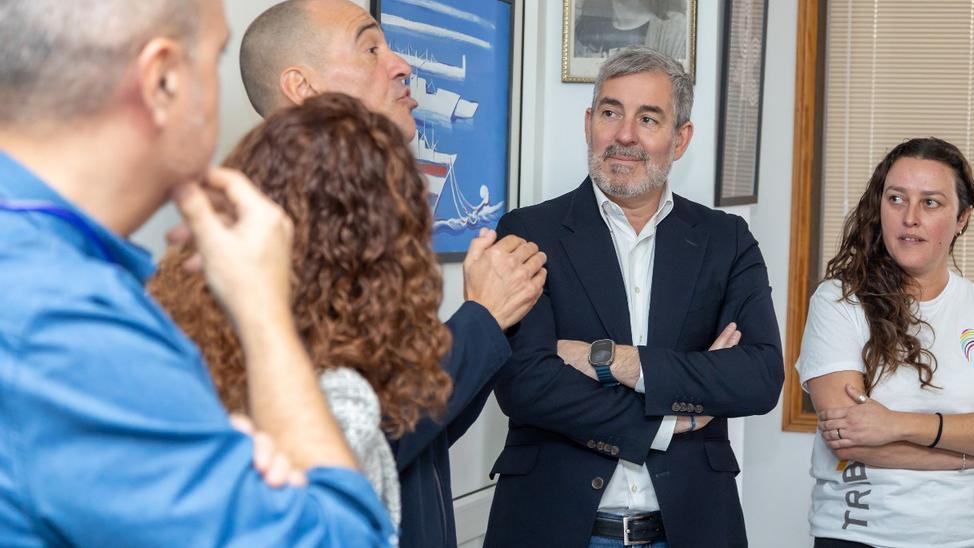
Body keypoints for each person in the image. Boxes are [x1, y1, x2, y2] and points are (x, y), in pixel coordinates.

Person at [0, 0, 398, 544]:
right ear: (162, 80)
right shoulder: (63, 322)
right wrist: (264, 314)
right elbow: (345, 539)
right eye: (213, 59)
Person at [237, 2, 546, 546]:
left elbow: (422, 429)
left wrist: (491, 320)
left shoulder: (356, 223)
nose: (402, 65)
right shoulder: (274, 237)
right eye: (372, 48)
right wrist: (480, 318)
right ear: (301, 86)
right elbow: (353, 442)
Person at [482, 46, 783, 548]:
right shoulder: (529, 233)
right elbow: (525, 384)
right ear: (588, 123)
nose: (624, 135)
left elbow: (758, 377)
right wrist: (668, 421)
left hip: (690, 529)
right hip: (552, 527)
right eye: (610, 112)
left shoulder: (726, 241)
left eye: (648, 118)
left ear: (680, 138)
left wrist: (614, 361)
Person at [800, 137, 974, 548]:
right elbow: (848, 437)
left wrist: (894, 425)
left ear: (962, 217)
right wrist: (971, 452)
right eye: (896, 199)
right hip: (859, 536)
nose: (910, 218)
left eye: (931, 203)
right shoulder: (839, 302)